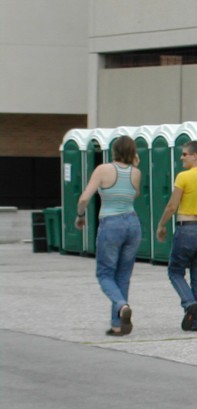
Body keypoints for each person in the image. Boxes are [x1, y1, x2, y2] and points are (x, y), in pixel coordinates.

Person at [75, 135, 142, 336]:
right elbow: (134, 195)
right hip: (132, 223)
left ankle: (122, 306)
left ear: (114, 151)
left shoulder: (103, 170)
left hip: (111, 224)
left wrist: (80, 215)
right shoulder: (136, 172)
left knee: (105, 273)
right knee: (123, 275)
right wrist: (134, 165)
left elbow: (85, 197)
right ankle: (117, 324)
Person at [156, 141, 197, 332]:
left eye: (184, 154)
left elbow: (171, 206)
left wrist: (161, 225)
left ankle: (188, 302)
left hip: (187, 229)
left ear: (195, 156)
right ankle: (195, 321)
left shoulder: (183, 177)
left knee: (175, 271)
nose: (181, 157)